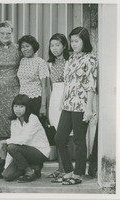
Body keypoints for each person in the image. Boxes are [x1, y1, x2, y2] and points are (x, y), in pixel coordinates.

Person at [55, 27, 98, 185]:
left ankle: (79, 173)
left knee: (79, 140)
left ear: (84, 41)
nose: (73, 44)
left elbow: (91, 85)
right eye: (72, 41)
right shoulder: (71, 58)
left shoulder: (91, 59)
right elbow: (67, 82)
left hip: (81, 105)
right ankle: (68, 170)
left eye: (76, 41)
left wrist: (89, 108)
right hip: (68, 104)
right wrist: (62, 99)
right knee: (59, 138)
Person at [0, 94, 50, 182]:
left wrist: (4, 141)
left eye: (21, 106)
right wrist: (5, 167)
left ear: (27, 107)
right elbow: (13, 141)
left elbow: (24, 138)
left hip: (39, 152)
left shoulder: (33, 119)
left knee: (11, 147)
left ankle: (29, 172)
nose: (17, 109)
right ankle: (34, 168)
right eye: (15, 106)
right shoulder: (14, 122)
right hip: (23, 152)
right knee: (7, 176)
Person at [0, 21, 22, 148]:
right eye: (2, 33)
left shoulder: (18, 49)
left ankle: (14, 158)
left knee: (15, 120)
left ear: (12, 33)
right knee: (0, 123)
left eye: (8, 33)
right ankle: (2, 160)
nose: (5, 36)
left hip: (14, 91)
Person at [46, 33, 71, 182]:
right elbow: (50, 86)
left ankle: (66, 169)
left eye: (58, 45)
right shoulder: (49, 64)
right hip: (55, 96)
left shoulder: (69, 61)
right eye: (52, 45)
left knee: (65, 135)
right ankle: (59, 168)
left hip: (66, 96)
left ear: (64, 46)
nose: (54, 48)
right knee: (57, 133)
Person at [17, 35, 50, 117]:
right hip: (22, 100)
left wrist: (43, 106)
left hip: (35, 100)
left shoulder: (40, 62)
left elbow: (44, 86)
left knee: (36, 127)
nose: (25, 49)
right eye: (22, 47)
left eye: (27, 46)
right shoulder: (22, 61)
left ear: (33, 46)